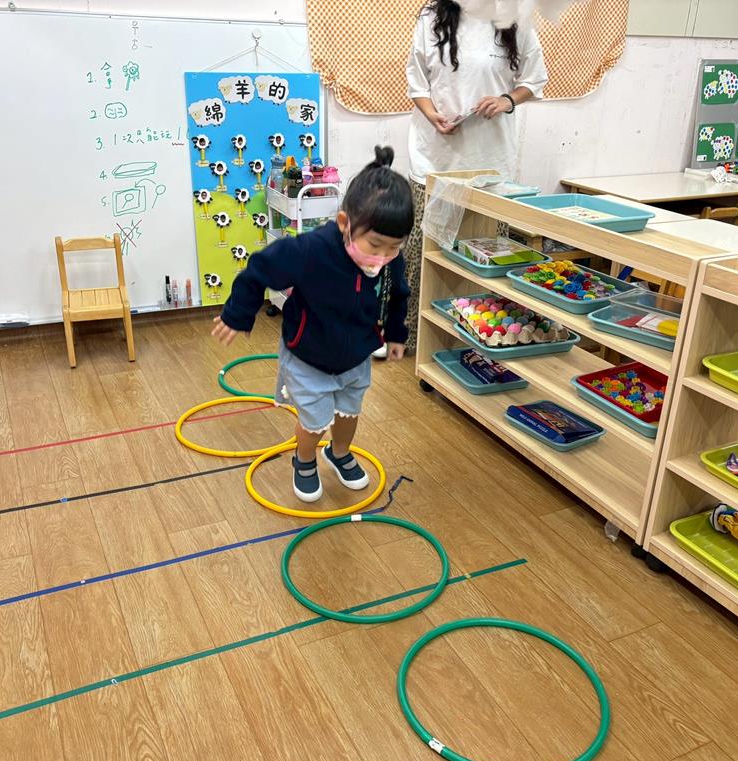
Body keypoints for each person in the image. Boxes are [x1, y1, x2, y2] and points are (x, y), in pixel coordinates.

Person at [212, 146, 413, 503]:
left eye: (394, 247)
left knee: (349, 413)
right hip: (308, 356)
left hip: (356, 356)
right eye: (375, 245)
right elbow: (259, 269)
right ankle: (304, 461)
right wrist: (237, 314)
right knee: (315, 421)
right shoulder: (311, 250)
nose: (382, 257)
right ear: (344, 223)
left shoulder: (389, 259)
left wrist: (396, 334)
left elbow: (398, 293)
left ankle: (339, 453)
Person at [399, 0, 548, 350]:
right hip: (435, 158)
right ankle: (410, 335)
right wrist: (433, 115)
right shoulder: (432, 17)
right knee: (424, 251)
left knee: (487, 252)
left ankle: (479, 338)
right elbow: (417, 82)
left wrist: (507, 100)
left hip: (491, 162)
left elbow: (535, 78)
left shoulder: (515, 19)